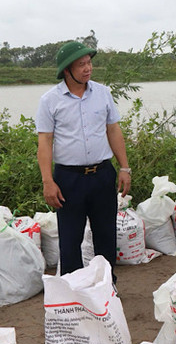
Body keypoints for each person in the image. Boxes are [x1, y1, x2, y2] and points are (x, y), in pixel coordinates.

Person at [35, 41, 131, 277]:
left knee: (106, 235)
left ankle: (106, 285)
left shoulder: (102, 93)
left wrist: (124, 168)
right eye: (81, 65)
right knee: (70, 238)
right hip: (69, 179)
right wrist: (48, 181)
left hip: (102, 174)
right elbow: (45, 142)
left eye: (89, 63)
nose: (88, 68)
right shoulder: (50, 100)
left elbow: (113, 130)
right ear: (67, 70)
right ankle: (73, 291)